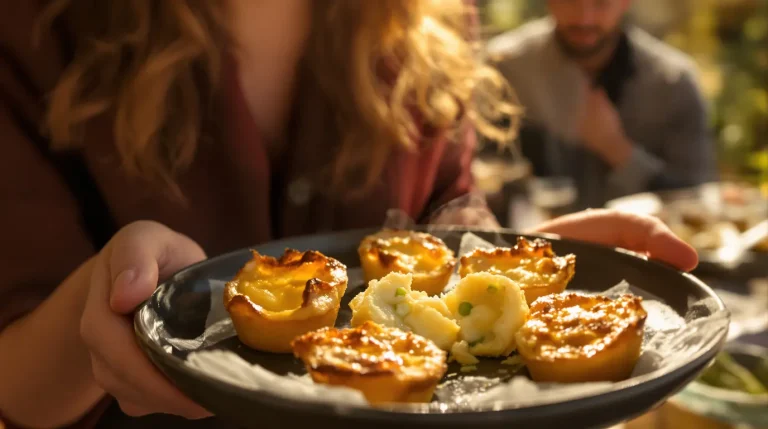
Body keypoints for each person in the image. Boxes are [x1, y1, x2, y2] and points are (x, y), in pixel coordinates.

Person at [0, 1, 697, 428]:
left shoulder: (435, 17)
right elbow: (17, 386)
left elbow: (443, 215)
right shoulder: (37, 24)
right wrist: (101, 292)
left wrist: (504, 283)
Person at [487, 0, 717, 209]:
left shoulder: (673, 82)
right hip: (530, 245)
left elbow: (696, 198)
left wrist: (617, 149)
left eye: (601, 3)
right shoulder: (505, 67)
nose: (584, 19)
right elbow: (481, 174)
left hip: (642, 249)